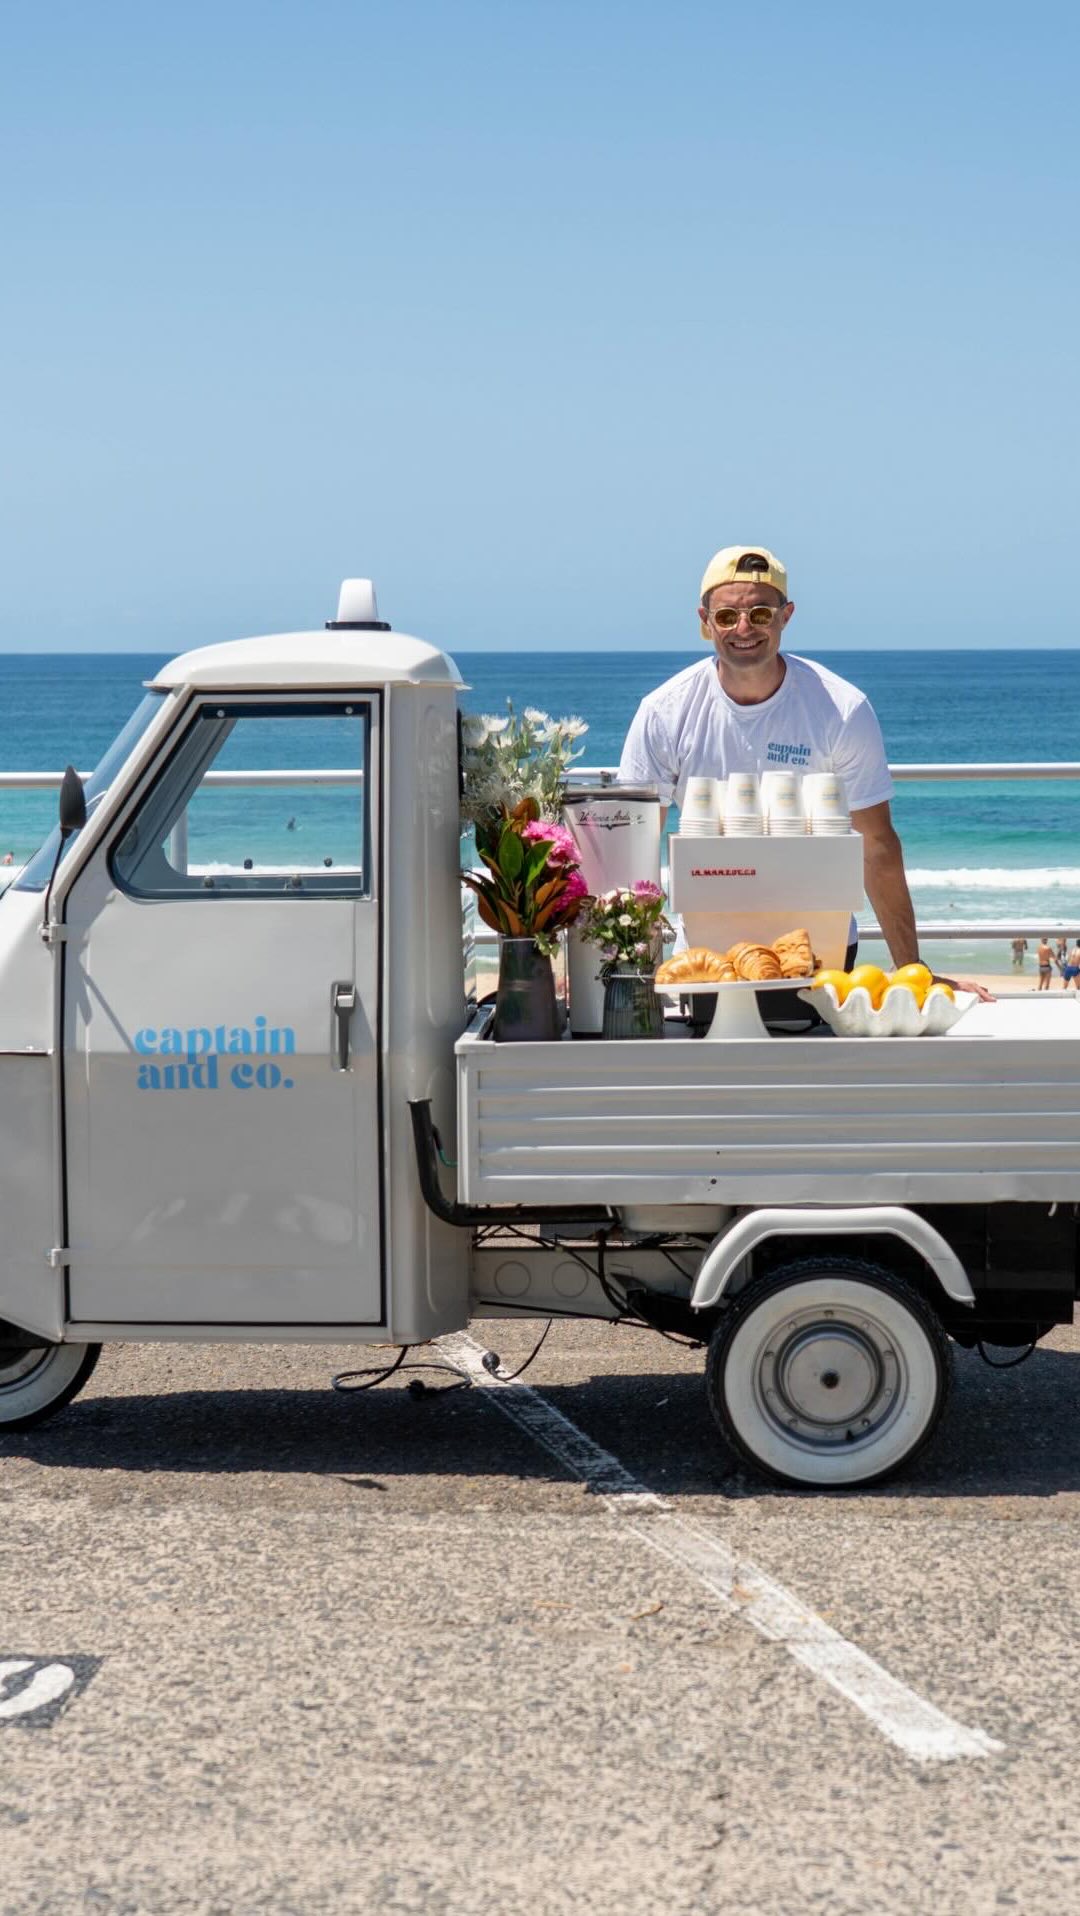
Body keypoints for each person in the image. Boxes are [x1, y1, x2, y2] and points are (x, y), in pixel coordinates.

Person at [618, 545, 987, 1003]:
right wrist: (614, 969)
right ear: (705, 620)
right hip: (705, 960)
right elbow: (633, 850)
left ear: (786, 615)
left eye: (760, 613)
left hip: (823, 955)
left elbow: (876, 844)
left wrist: (914, 971)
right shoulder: (664, 711)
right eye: (728, 616)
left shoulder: (841, 708)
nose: (744, 628)